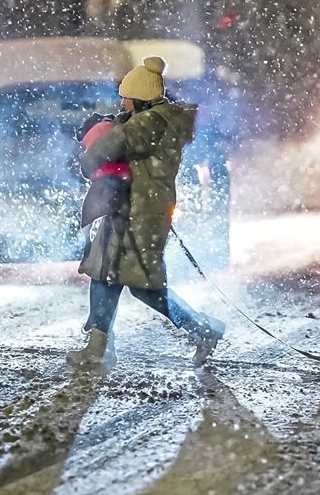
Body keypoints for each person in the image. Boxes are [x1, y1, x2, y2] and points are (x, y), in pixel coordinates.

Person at [67, 56, 226, 369]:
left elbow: (118, 141)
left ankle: (203, 329)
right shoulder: (150, 119)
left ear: (139, 98)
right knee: (105, 274)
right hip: (129, 209)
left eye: (126, 97)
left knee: (145, 287)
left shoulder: (152, 123)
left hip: (140, 214)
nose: (122, 102)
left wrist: (87, 161)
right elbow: (125, 129)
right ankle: (98, 346)